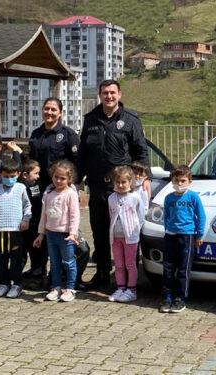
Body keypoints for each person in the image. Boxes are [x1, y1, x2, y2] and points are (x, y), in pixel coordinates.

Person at [77, 79, 148, 290]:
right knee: (99, 231)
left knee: (127, 230)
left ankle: (128, 278)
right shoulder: (90, 120)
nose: (109, 96)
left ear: (119, 94)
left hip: (123, 188)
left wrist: (145, 179)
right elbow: (83, 154)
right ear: (100, 95)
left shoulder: (130, 120)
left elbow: (140, 151)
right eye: (105, 93)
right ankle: (101, 274)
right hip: (98, 186)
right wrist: (75, 182)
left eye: (112, 92)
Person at [159, 165, 204, 314]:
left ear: (189, 182)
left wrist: (199, 234)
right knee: (168, 267)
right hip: (170, 236)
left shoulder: (193, 197)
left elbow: (201, 216)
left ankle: (180, 298)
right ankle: (167, 297)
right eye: (176, 180)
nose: (179, 184)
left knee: (183, 269)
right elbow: (166, 216)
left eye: (183, 180)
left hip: (187, 236)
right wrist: (166, 231)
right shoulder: (169, 198)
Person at [33, 160, 80, 303]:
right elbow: (44, 215)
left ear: (69, 179)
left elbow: (74, 215)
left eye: (63, 178)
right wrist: (41, 234)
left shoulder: (71, 194)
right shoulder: (48, 194)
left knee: (69, 262)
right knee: (54, 263)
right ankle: (56, 287)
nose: (58, 181)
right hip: (51, 234)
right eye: (56, 177)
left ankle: (71, 288)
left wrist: (73, 233)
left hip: (66, 235)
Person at [0, 158, 32, 299]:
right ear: (0, 175)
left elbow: (27, 206)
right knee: (0, 259)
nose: (9, 179)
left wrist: (26, 219)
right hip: (0, 230)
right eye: (6, 176)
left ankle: (17, 284)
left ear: (18, 174)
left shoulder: (21, 188)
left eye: (12, 176)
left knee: (16, 259)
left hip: (16, 230)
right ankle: (3, 283)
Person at [105, 166, 145, 304]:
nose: (121, 185)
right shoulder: (111, 198)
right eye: (118, 182)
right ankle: (120, 287)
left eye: (124, 182)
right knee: (119, 264)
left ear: (130, 182)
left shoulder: (135, 197)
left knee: (130, 264)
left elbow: (140, 217)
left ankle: (131, 289)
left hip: (131, 238)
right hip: (115, 237)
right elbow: (111, 215)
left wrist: (135, 231)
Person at [28, 98, 80, 191]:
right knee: (36, 205)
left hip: (58, 185)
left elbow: (77, 162)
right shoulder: (35, 134)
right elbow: (31, 159)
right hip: (36, 184)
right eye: (46, 108)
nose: (49, 112)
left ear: (60, 113)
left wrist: (75, 183)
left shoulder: (68, 134)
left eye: (53, 109)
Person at [20, 159, 45, 279]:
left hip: (37, 224)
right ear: (25, 175)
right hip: (25, 224)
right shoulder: (21, 187)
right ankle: (16, 275)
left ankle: (37, 274)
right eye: (35, 173)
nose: (38, 176)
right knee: (22, 251)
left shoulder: (36, 184)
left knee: (36, 252)